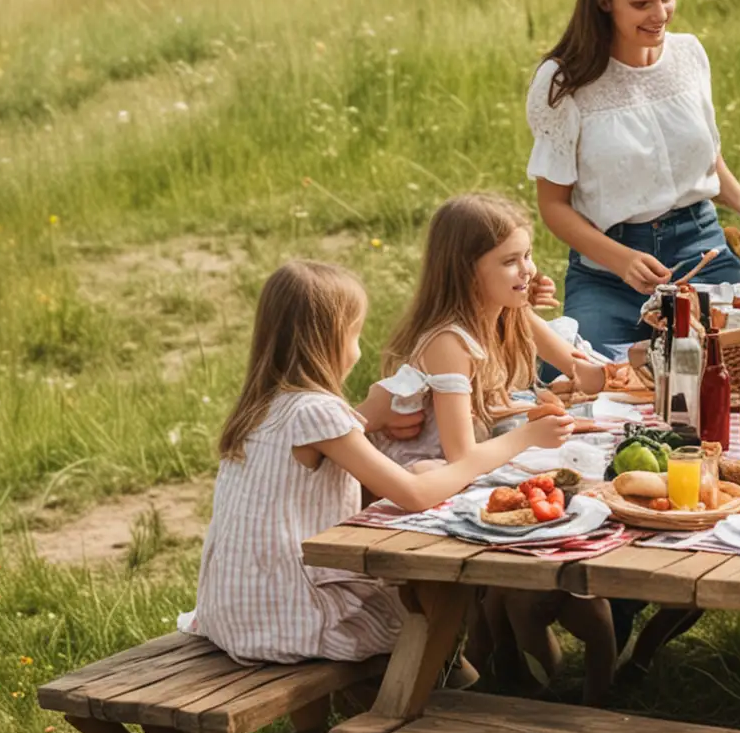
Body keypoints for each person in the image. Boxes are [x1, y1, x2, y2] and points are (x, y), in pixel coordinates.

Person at [184, 259, 573, 668]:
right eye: (355, 334)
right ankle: (437, 690)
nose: (359, 348)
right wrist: (525, 438)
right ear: (332, 340)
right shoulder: (318, 411)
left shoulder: (261, 407)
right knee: (424, 609)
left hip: (232, 608)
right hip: (289, 616)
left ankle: (451, 677)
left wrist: (369, 416)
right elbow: (415, 496)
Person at [376, 193, 625, 705]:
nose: (527, 271)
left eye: (528, 255)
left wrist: (625, 365)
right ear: (466, 271)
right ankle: (501, 657)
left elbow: (582, 372)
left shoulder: (512, 314)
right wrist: (530, 435)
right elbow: (460, 454)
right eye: (510, 261)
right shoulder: (449, 340)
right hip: (433, 477)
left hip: (482, 465)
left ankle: (527, 663)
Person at [526, 0, 740, 359]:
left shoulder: (690, 56)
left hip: (702, 255)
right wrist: (621, 260)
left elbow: (707, 159)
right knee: (574, 379)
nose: (660, 14)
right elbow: (553, 206)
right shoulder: (564, 83)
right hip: (606, 273)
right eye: (641, 3)